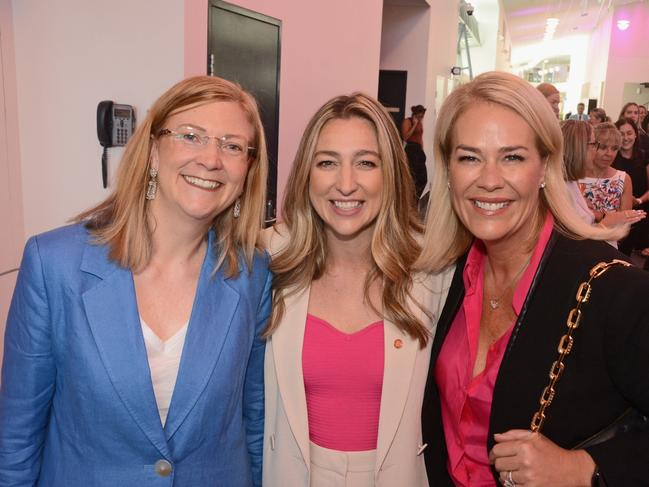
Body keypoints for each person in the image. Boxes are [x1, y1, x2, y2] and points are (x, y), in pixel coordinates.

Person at [0, 76, 271, 486]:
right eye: (191, 136)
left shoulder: (253, 274)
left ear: (247, 168)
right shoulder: (55, 264)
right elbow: (17, 435)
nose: (211, 159)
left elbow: (254, 421)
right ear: (153, 151)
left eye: (232, 146)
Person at [419, 71, 649, 486]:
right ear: (448, 168)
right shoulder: (445, 275)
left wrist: (585, 469)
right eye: (469, 157)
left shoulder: (614, 289)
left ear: (545, 166)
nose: (489, 180)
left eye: (512, 157)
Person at [262, 93, 452, 486]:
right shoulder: (270, 260)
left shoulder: (433, 271)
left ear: (391, 174)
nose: (345, 184)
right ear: (306, 175)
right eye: (327, 162)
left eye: (366, 163)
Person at [579, 122, 636, 243]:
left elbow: (625, 225)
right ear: (592, 146)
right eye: (603, 147)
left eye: (614, 148)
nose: (609, 154)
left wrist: (601, 219)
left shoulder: (624, 179)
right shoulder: (575, 176)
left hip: (609, 244)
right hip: (576, 242)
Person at [613, 117, 649, 255]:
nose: (626, 137)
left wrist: (638, 200)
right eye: (621, 134)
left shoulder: (645, 157)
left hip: (642, 213)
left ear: (635, 134)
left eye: (629, 133)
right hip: (618, 214)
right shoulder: (612, 158)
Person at [401, 104, 428, 200]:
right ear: (415, 114)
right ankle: (410, 201)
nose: (421, 118)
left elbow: (420, 138)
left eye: (422, 116)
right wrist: (415, 125)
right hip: (411, 150)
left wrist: (422, 151)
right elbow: (405, 137)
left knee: (423, 178)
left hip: (418, 151)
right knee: (413, 178)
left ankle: (415, 200)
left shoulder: (420, 123)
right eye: (420, 116)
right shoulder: (407, 121)